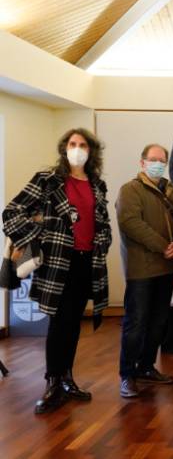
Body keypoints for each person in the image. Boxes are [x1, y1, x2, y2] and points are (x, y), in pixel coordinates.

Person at [2, 129, 112, 414]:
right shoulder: (47, 180)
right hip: (58, 262)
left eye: (83, 144)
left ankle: (67, 379)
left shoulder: (97, 185)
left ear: (91, 151)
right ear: (64, 148)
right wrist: (40, 236)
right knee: (59, 322)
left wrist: (104, 242)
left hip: (88, 261)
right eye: (72, 144)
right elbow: (11, 212)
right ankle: (52, 382)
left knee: (74, 323)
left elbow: (103, 223)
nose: (77, 149)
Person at [117, 144, 173, 398]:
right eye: (153, 159)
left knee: (158, 322)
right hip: (141, 270)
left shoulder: (171, 190)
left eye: (162, 160)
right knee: (136, 323)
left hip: (166, 267)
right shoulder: (130, 189)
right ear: (142, 162)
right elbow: (131, 223)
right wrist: (163, 245)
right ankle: (128, 375)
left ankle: (146, 367)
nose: (158, 163)